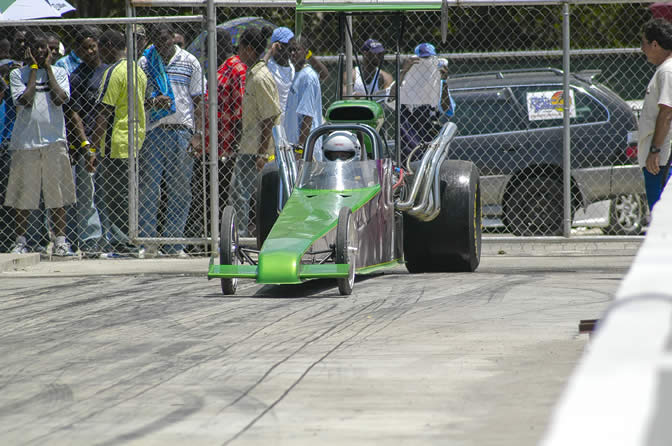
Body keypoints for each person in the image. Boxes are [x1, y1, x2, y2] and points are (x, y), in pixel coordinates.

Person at [4, 29, 75, 256]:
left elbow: (60, 98)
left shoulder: (60, 72)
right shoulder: (18, 74)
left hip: (54, 141)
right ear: (28, 49)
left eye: (44, 47)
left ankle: (61, 241)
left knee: (56, 194)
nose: (41, 50)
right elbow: (24, 100)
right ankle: (21, 241)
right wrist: (34, 70)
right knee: (24, 194)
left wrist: (48, 70)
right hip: (26, 142)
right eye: (36, 47)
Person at [138, 24, 205, 257]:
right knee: (149, 189)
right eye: (156, 40)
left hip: (181, 131)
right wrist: (153, 102)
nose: (161, 45)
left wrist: (198, 134)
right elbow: (136, 100)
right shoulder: (145, 62)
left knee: (180, 189)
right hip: (154, 130)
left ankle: (174, 243)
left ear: (173, 39)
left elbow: (199, 102)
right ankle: (148, 243)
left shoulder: (189, 61)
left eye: (165, 40)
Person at [186, 29, 244, 252]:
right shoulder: (220, 70)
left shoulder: (236, 69)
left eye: (208, 49)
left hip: (227, 149)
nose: (206, 54)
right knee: (209, 198)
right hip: (213, 148)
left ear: (218, 47)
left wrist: (233, 149)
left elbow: (241, 112)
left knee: (223, 198)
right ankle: (210, 242)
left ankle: (225, 243)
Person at [92, 29, 148, 258]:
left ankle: (124, 245)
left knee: (115, 198)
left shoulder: (113, 72)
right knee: (127, 196)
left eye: (100, 48)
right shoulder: (137, 70)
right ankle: (129, 241)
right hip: (135, 140)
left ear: (108, 46)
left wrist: (93, 148)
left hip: (116, 143)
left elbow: (104, 112)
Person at [232, 26, 281, 237]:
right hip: (250, 145)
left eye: (241, 48)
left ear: (250, 49)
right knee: (246, 193)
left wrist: (262, 153)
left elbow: (269, 116)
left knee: (240, 193)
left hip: (256, 149)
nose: (238, 53)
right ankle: (246, 233)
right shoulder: (255, 74)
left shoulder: (260, 78)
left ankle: (241, 237)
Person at [66, 26, 107, 256]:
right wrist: (85, 143)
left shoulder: (108, 71)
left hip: (109, 141)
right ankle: (90, 241)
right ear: (79, 51)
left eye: (93, 46)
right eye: (85, 48)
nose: (90, 51)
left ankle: (108, 240)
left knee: (108, 193)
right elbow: (74, 113)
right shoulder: (77, 77)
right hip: (87, 142)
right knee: (87, 193)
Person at [640, 18, 672, 211]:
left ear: (655, 44)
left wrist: (655, 151)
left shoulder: (667, 71)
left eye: (643, 43)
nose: (642, 49)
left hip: (662, 160)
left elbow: (667, 112)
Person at [399, 42, 448, 161]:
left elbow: (446, 108)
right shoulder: (405, 85)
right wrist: (403, 71)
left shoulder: (437, 86)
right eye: (422, 61)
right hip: (409, 150)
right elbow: (391, 98)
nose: (426, 65)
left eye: (429, 59)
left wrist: (444, 81)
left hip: (431, 145)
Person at [285, 36, 323, 158]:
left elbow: (307, 116)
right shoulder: (296, 74)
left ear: (306, 52)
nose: (292, 53)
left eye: (296, 50)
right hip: (293, 145)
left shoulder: (308, 77)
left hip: (306, 149)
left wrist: (300, 149)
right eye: (290, 50)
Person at [265, 27, 295, 114]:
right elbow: (257, 71)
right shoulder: (269, 66)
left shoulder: (293, 65)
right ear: (278, 46)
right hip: (275, 120)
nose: (292, 50)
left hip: (290, 119)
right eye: (289, 46)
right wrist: (270, 50)